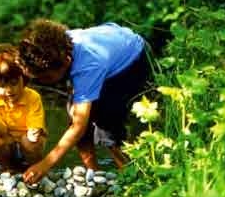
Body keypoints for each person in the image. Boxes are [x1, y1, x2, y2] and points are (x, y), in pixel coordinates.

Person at [18, 19, 149, 183]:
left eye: (47, 77)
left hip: (132, 59)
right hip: (111, 45)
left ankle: (130, 173)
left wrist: (45, 164)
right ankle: (93, 173)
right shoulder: (54, 45)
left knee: (106, 120)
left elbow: (78, 128)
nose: (43, 82)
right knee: (73, 113)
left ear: (66, 62)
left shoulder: (87, 67)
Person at [0, 43, 47, 172]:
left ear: (24, 77)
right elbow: (1, 133)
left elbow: (34, 126)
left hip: (27, 136)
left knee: (29, 142)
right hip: (7, 138)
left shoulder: (32, 97)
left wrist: (34, 132)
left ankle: (35, 167)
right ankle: (8, 169)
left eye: (14, 83)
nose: (10, 90)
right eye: (2, 85)